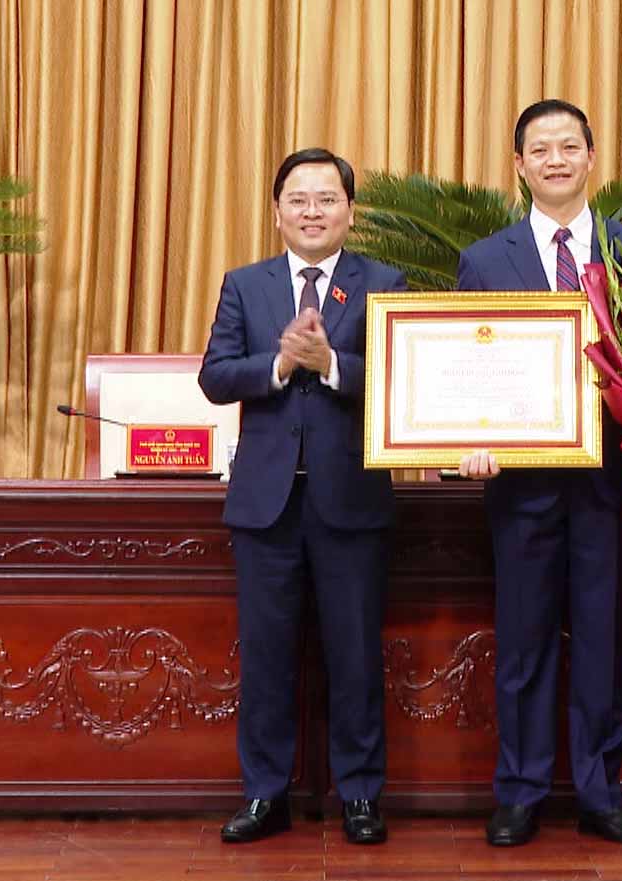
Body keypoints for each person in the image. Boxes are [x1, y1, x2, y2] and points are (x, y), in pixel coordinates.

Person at [199, 147, 406, 845]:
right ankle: (264, 794)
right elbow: (217, 376)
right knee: (265, 658)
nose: (312, 211)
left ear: (350, 210)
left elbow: (402, 378)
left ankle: (359, 796)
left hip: (351, 501)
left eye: (326, 199)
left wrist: (336, 366)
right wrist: (283, 364)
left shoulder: (385, 281)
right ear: (277, 210)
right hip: (266, 506)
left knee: (355, 657)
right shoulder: (245, 285)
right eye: (298, 199)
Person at [457, 100, 622, 847]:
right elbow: (469, 372)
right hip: (521, 483)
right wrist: (466, 442)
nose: (557, 159)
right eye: (541, 149)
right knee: (525, 640)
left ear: (591, 157)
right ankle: (521, 790)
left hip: (610, 480)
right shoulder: (484, 258)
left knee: (604, 640)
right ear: (519, 164)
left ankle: (602, 794)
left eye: (570, 146)